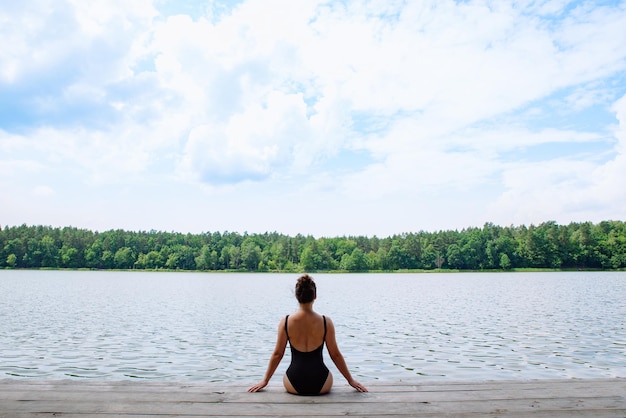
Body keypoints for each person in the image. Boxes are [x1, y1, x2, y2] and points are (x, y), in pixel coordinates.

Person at [248, 274, 368, 395]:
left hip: (293, 382)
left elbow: (278, 354)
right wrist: (350, 380)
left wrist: (265, 380)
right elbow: (335, 355)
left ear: (296, 296)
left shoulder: (286, 322)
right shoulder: (326, 322)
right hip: (322, 383)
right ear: (315, 296)